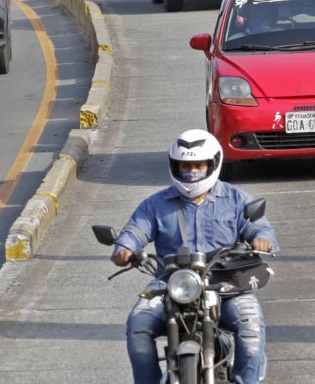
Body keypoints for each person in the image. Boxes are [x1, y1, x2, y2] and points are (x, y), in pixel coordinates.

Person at [112, 129, 277, 384]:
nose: (192, 172)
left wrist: (261, 240)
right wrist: (124, 249)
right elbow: (134, 231)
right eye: (185, 165)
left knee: (251, 326)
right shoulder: (155, 204)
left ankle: (247, 380)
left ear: (212, 164)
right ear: (174, 166)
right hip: (169, 283)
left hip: (226, 283)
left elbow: (259, 227)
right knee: (137, 326)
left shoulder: (236, 199)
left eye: (198, 165)